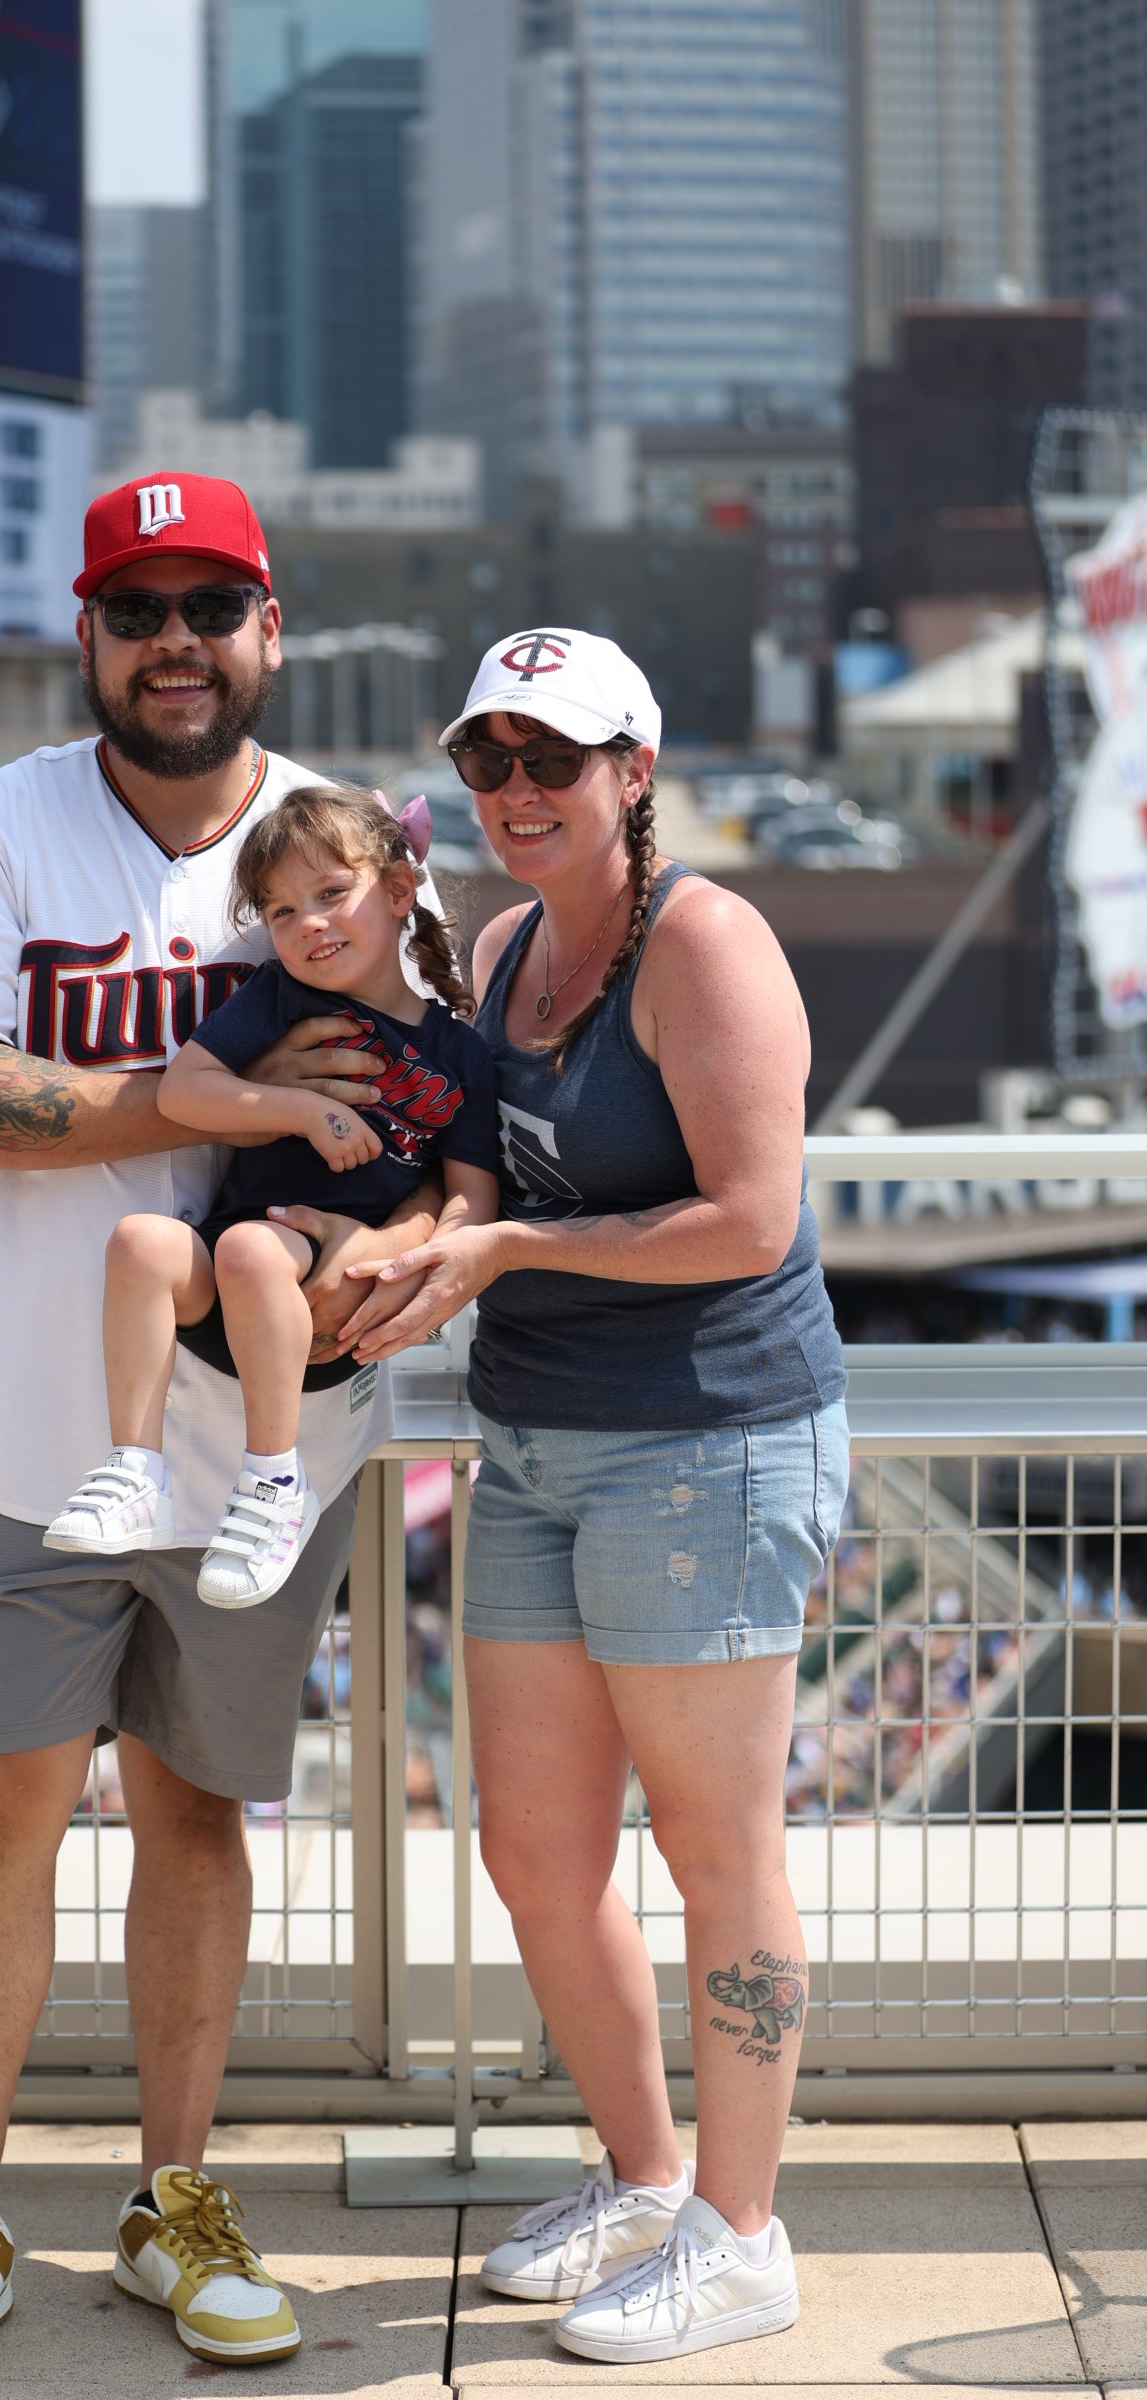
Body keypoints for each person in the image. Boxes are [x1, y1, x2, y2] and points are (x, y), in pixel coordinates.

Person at [0, 472, 438, 2396]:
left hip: (262, 1456)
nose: (174, 640)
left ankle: (172, 2198)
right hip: (37, 1425)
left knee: (199, 1816)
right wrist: (198, 1097)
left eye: (212, 603)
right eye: (138, 606)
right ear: (91, 636)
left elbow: (439, 1106)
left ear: (270, 626)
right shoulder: (0, 821)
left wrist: (395, 1228)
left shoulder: (332, 849)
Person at [347, 629, 849, 2366]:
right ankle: (647, 2178)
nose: (515, 792)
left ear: (636, 770)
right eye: (487, 760)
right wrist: (412, 1248)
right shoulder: (498, 949)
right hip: (539, 1435)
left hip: (706, 1437)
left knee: (720, 1852)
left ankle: (744, 2228)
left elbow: (753, 1219)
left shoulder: (705, 941)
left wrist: (504, 1246)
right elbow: (478, 1174)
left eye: (552, 759)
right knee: (535, 1850)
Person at [46, 782, 499, 1606]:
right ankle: (134, 1470)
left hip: (325, 1310)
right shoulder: (280, 999)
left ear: (400, 892)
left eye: (331, 895)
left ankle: (271, 1484)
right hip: (229, 1283)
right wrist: (304, 1108)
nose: (308, 924)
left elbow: (474, 1198)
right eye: (281, 912)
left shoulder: (460, 1054)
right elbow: (185, 1090)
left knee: (256, 1246)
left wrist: (406, 1266)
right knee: (140, 1242)